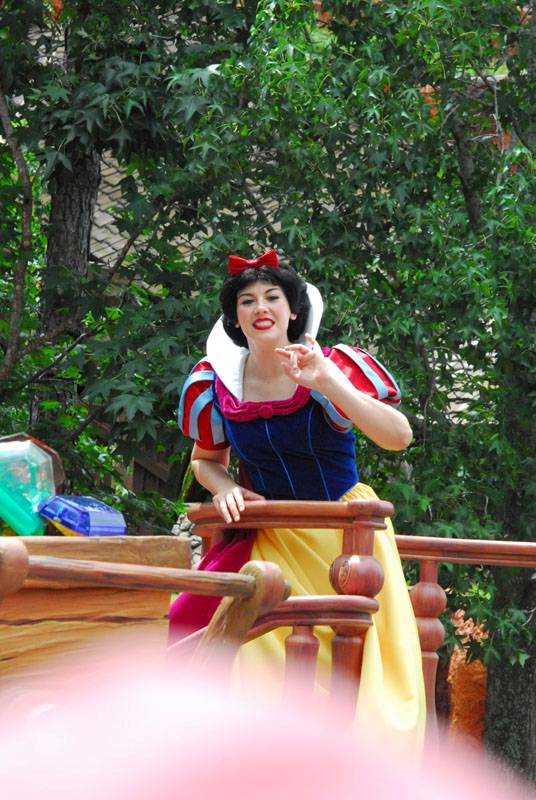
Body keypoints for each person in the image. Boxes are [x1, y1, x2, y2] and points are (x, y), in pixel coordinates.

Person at [170, 249, 426, 746]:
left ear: (292, 311)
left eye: (272, 297)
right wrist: (227, 489)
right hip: (269, 545)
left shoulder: (331, 367)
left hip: (346, 541)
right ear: (235, 318)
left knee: (352, 677)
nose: (260, 307)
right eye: (247, 301)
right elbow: (205, 461)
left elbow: (399, 437)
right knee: (254, 659)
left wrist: (327, 381)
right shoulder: (214, 385)